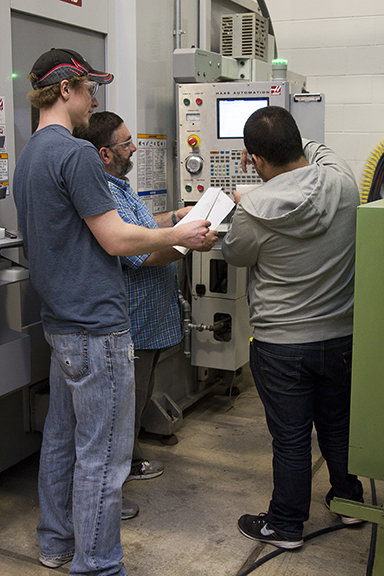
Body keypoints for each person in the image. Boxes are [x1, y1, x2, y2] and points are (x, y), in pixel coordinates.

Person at [12, 48, 211, 576]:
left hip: (60, 322)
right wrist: (180, 234)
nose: (95, 97)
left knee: (60, 442)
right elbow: (117, 238)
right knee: (103, 456)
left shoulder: (30, 154)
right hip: (97, 327)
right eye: (89, 88)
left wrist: (169, 223)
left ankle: (55, 544)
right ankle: (98, 565)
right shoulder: (76, 154)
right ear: (64, 91)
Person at [222, 106, 363, 550]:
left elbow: (237, 256)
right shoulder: (342, 181)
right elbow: (320, 151)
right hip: (341, 336)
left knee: (290, 438)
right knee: (338, 425)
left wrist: (246, 201)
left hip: (280, 345)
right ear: (298, 142)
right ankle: (349, 501)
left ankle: (285, 525)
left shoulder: (253, 209)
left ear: (254, 159)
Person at [74, 111, 218, 486]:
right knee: (126, 401)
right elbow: (140, 253)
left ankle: (128, 457)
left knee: (139, 392)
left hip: (152, 316)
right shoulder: (101, 191)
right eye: (125, 143)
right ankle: (125, 465)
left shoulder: (120, 185)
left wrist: (175, 217)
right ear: (105, 154)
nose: (133, 147)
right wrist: (188, 243)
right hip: (134, 317)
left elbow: (140, 228)